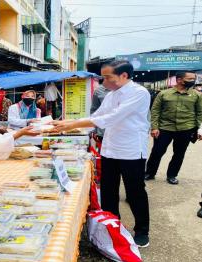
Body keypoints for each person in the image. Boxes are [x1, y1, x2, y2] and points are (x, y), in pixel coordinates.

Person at [49, 61, 151, 247]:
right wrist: (67, 123)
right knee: (109, 190)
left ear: (124, 76)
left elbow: (112, 117)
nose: (104, 82)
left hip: (131, 150)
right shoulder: (111, 95)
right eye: (103, 77)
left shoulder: (139, 93)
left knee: (135, 191)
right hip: (110, 148)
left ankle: (142, 231)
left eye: (108, 77)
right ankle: (112, 225)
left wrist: (73, 125)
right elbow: (98, 115)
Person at [145, 71, 202, 185]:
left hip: (186, 128)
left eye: (193, 79)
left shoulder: (197, 95)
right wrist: (154, 127)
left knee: (179, 153)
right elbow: (155, 111)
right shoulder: (163, 94)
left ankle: (172, 175)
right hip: (165, 128)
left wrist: (199, 129)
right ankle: (150, 173)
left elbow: (200, 113)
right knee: (157, 151)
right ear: (179, 79)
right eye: (190, 78)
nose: (193, 81)